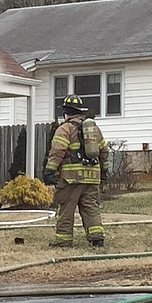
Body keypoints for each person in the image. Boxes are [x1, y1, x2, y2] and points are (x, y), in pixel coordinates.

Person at [43, 94, 109, 247]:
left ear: (66, 111)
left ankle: (63, 240)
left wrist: (49, 171)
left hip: (71, 177)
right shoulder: (94, 130)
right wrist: (104, 171)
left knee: (66, 208)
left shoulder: (64, 129)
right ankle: (97, 237)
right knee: (91, 207)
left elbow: (57, 151)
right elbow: (104, 151)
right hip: (92, 176)